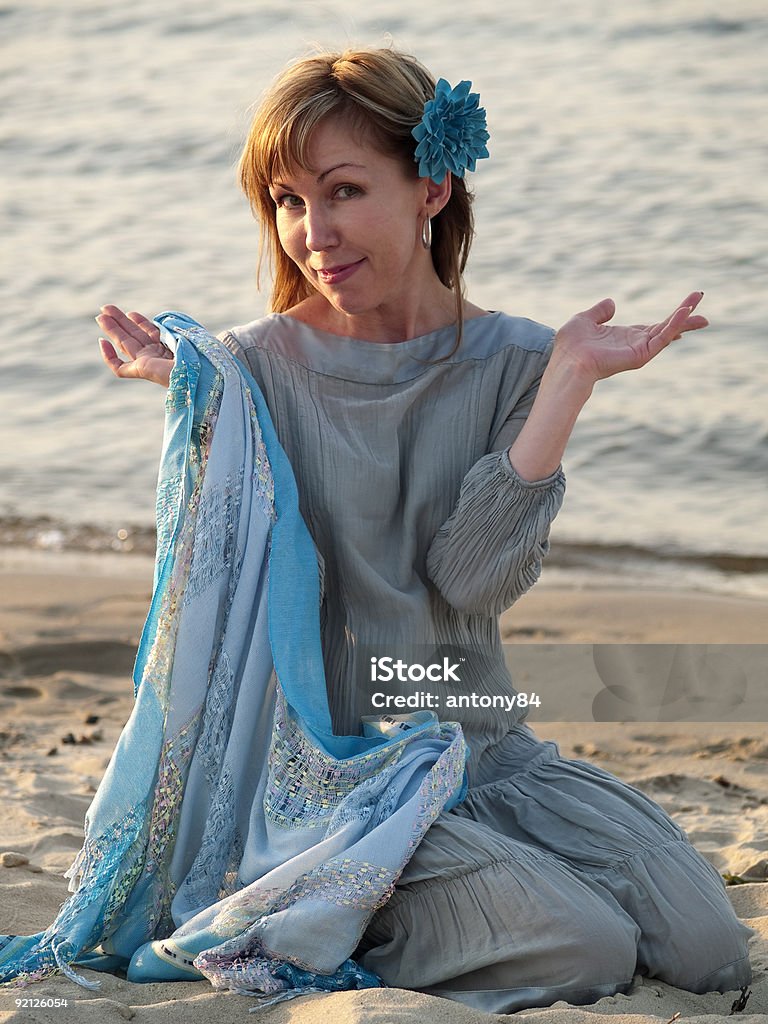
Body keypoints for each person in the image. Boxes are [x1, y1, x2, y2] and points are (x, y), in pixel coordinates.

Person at [92, 47, 752, 1013]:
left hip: (484, 746)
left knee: (710, 952)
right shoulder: (248, 371)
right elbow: (212, 610)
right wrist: (191, 393)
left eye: (345, 190)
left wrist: (567, 384)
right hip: (336, 774)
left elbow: (471, 579)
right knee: (586, 948)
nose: (312, 233)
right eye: (285, 200)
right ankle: (328, 907)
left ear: (432, 186)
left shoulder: (526, 359)